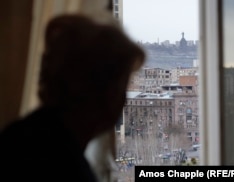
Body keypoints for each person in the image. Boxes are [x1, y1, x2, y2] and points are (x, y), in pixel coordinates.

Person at [0, 14, 145, 181]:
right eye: (120, 88)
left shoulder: (29, 138)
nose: (123, 100)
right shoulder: (57, 163)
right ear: (95, 88)